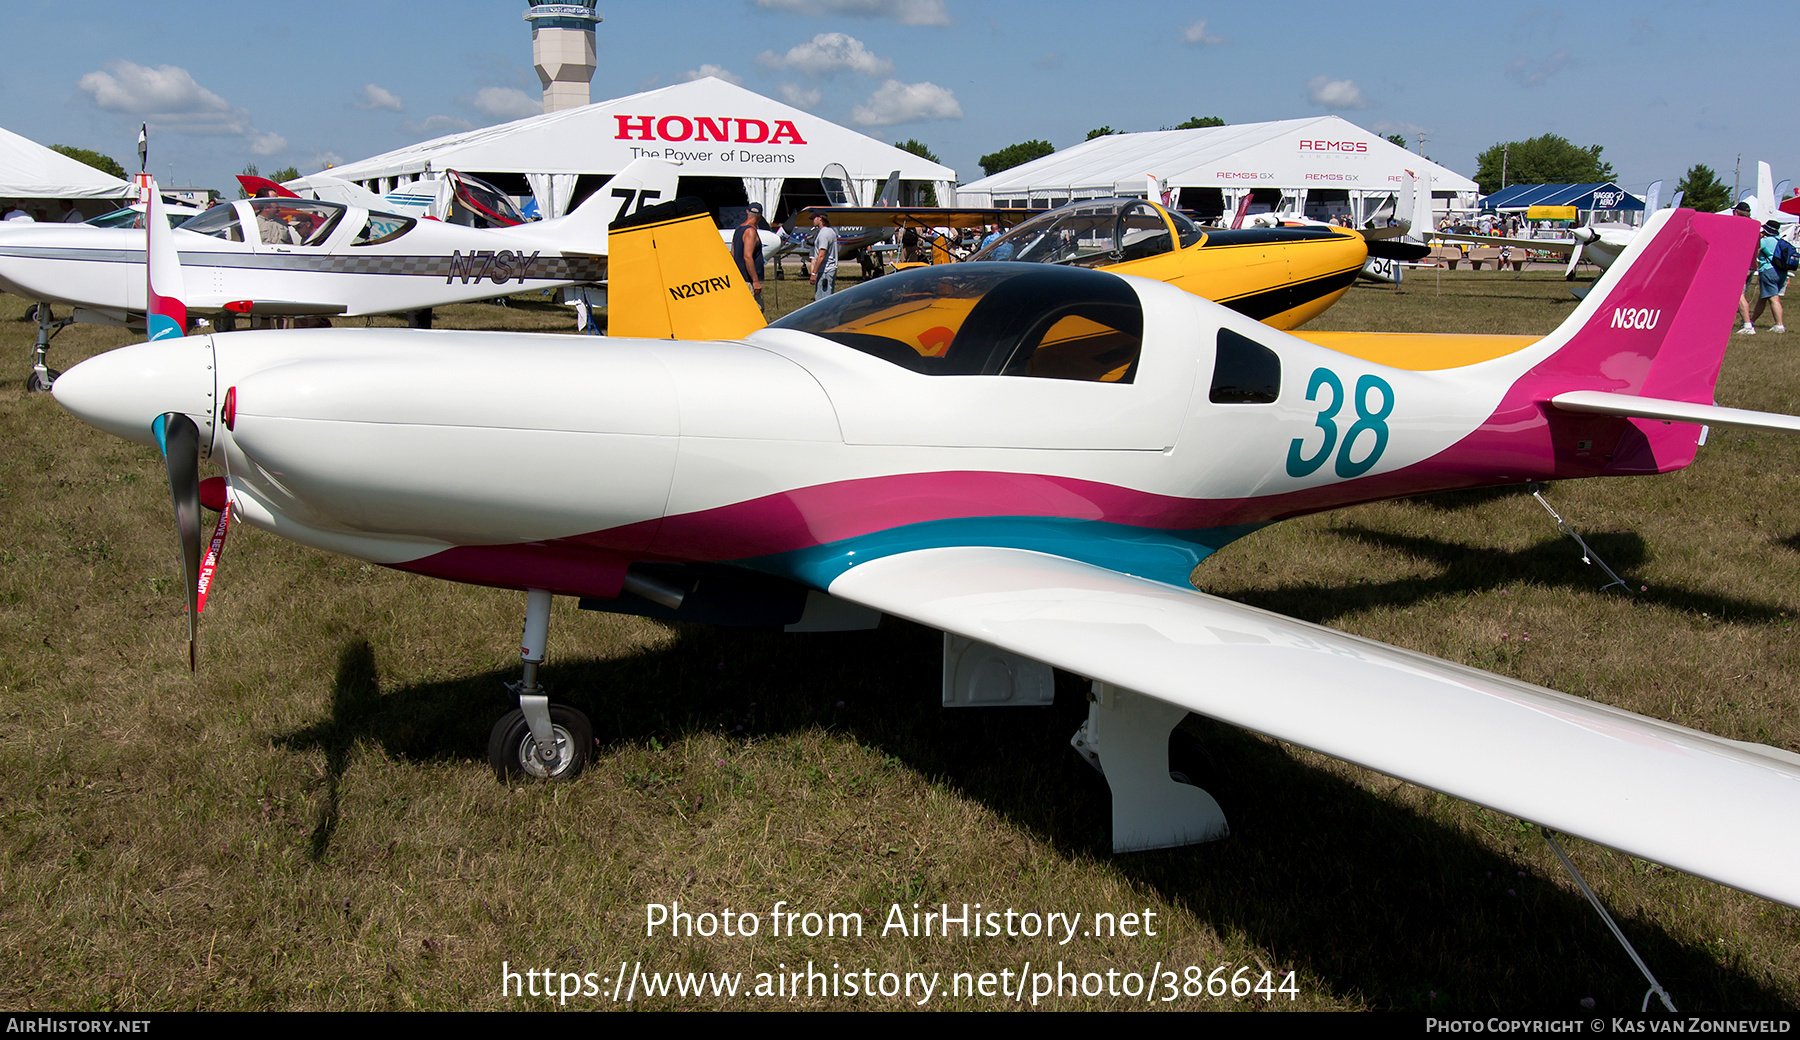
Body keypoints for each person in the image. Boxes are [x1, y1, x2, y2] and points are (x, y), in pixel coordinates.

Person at [1747, 219, 1791, 333]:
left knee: (1773, 298)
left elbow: (1755, 251)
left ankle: (1779, 325)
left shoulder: (1766, 241)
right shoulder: (1780, 241)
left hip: (1768, 270)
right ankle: (1752, 320)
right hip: (1781, 272)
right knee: (1763, 298)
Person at [733, 203, 766, 309]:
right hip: (748, 280)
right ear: (760, 216)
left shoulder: (738, 230)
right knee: (757, 310)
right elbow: (747, 256)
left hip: (740, 278)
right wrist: (755, 281)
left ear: (747, 212)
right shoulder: (750, 231)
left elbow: (732, 254)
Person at [809, 213, 838, 299]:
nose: (812, 220)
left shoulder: (824, 234)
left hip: (825, 271)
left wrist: (814, 273)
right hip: (830, 269)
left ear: (820, 218)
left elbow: (821, 256)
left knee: (822, 301)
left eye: (814, 218)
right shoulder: (830, 231)